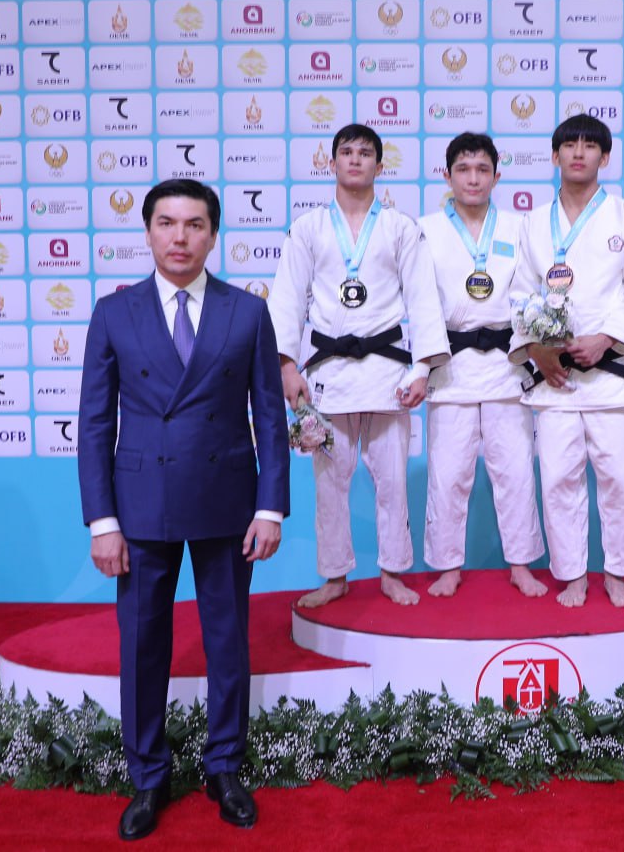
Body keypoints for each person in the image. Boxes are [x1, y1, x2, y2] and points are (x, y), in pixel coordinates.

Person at [78, 179, 290, 840]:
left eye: (194, 224)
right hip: (141, 506)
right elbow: (94, 424)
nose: (179, 236)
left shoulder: (246, 312)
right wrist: (103, 521)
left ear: (213, 234)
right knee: (143, 645)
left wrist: (271, 507)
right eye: (167, 223)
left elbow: (270, 415)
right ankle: (148, 775)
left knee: (227, 641)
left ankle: (224, 766)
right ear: (147, 232)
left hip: (227, 500)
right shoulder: (114, 313)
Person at [270, 123, 450, 607]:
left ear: (379, 165)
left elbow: (423, 300)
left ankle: (392, 571)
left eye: (365, 153)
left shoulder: (400, 227)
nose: (355, 159)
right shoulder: (307, 228)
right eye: (346, 152)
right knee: (329, 484)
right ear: (331, 164)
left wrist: (422, 370)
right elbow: (286, 301)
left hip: (387, 372)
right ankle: (334, 577)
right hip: (328, 374)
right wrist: (287, 366)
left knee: (392, 481)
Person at [508, 113, 624, 608]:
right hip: (555, 378)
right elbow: (520, 292)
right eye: (568, 145)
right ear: (554, 156)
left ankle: (617, 572)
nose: (578, 152)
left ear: (605, 157)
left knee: (617, 478)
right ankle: (572, 573)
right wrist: (537, 348)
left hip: (610, 374)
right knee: (558, 479)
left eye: (589, 145)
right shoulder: (533, 222)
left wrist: (607, 338)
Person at [419, 132, 547, 597]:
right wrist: (421, 366)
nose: (473, 179)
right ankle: (447, 565)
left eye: (482, 170)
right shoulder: (425, 230)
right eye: (463, 170)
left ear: (497, 175)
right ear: (447, 175)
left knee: (515, 472)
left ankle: (521, 564)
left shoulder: (519, 227)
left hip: (505, 366)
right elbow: (419, 303)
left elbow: (533, 292)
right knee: (448, 474)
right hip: (450, 366)